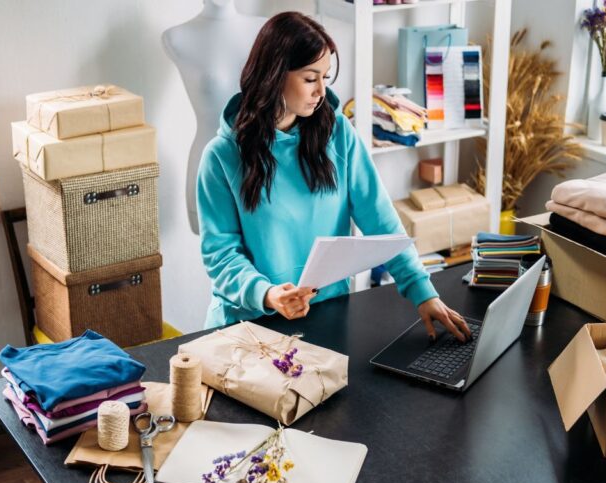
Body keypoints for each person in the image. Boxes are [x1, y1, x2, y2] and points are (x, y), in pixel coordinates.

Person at [196, 11, 471, 341]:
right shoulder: (221, 157)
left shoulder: (338, 133)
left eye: (326, 77)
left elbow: (381, 222)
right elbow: (222, 256)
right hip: (249, 324)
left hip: (326, 315)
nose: (321, 91)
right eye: (311, 79)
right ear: (273, 75)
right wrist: (268, 294)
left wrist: (423, 292)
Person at [162, 0, 266, 234]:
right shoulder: (177, 37)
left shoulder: (265, 30)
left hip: (263, 161)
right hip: (209, 165)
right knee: (218, 259)